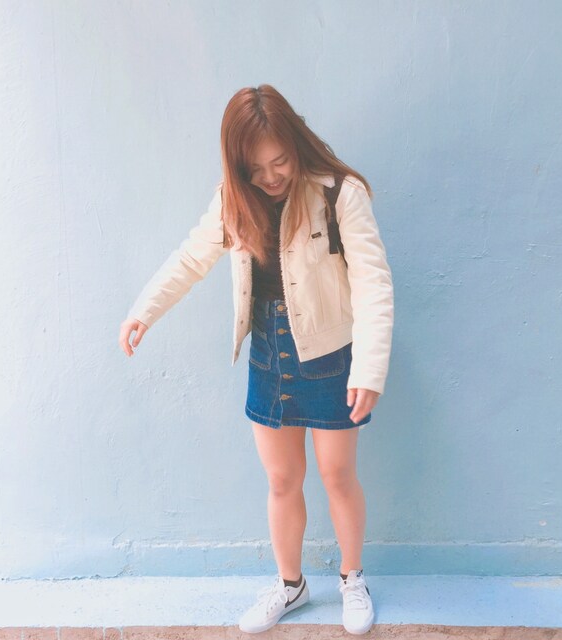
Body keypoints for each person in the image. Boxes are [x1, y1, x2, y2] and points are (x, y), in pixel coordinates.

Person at [118, 84, 394, 635]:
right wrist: (144, 310)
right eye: (256, 168)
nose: (270, 177)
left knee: (338, 475)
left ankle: (352, 578)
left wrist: (369, 368)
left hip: (330, 353)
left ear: (297, 143)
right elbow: (191, 258)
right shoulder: (232, 199)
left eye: (280, 162)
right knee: (282, 479)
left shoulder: (339, 192)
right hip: (268, 352)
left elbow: (373, 283)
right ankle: (290, 585)